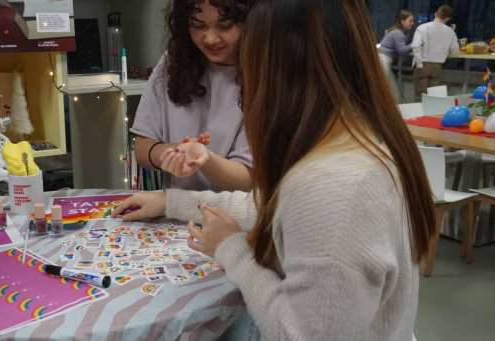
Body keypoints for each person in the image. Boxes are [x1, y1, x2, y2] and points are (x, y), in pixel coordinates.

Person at [113, 0, 435, 339]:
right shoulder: (353, 143)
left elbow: (296, 333)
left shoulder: (332, 185)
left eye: (249, 65)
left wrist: (232, 249)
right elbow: (271, 207)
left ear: (281, 71)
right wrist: (171, 202)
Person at [131, 0, 254, 192]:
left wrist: (202, 159)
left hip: (231, 216)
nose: (210, 39)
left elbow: (248, 178)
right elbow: (142, 147)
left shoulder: (265, 76)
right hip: (174, 212)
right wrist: (173, 153)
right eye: (198, 25)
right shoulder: (172, 64)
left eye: (225, 26)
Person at [411, 4, 459, 100]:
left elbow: (415, 46)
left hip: (423, 64)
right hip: (438, 66)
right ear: (448, 18)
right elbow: (455, 50)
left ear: (436, 13)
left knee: (420, 97)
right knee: (433, 97)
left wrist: (419, 64)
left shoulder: (423, 27)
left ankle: (419, 114)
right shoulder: (450, 32)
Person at [378, 10, 415, 101]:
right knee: (383, 87)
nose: (412, 23)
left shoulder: (396, 31)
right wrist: (414, 44)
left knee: (393, 90)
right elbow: (401, 50)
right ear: (402, 21)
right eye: (410, 21)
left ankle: (393, 108)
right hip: (383, 60)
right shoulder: (398, 33)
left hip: (384, 60)